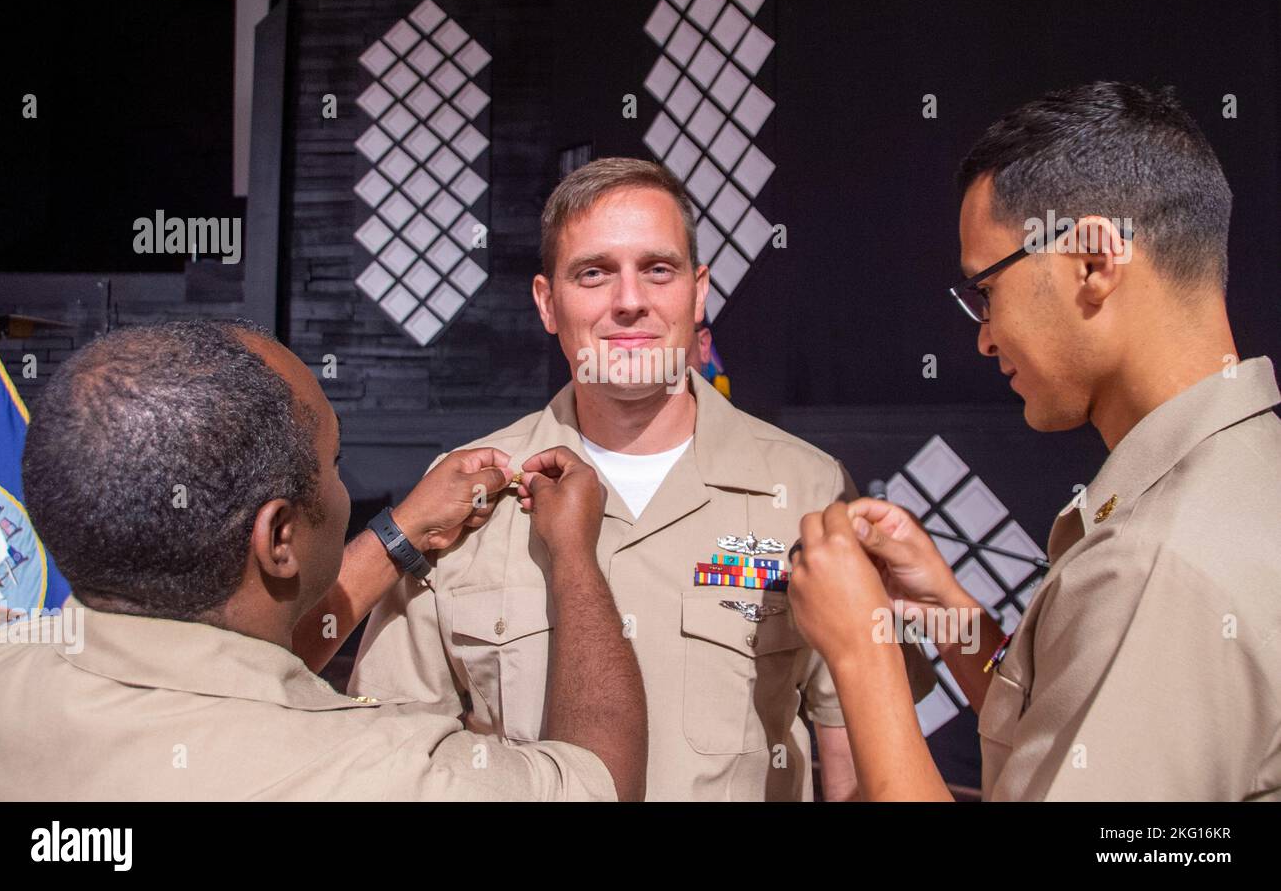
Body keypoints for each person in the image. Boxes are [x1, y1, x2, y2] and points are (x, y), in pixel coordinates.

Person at [349, 157, 934, 801]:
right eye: (594, 273)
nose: (630, 302)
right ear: (548, 303)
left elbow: (854, 738)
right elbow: (394, 744)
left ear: (699, 289)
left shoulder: (807, 487)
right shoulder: (463, 492)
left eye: (658, 269)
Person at [788, 81, 1281, 800]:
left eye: (986, 290)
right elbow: (1078, 749)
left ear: (1092, 262)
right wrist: (952, 616)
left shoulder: (1156, 566)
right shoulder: (1236, 478)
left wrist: (861, 652)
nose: (984, 338)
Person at [0, 319, 647, 801]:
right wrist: (572, 561)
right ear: (278, 538)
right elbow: (599, 782)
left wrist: (403, 531)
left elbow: (224, 663)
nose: (341, 484)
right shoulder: (385, 773)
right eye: (333, 462)